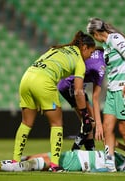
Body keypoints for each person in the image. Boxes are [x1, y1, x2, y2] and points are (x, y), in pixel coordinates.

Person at [12, 31, 96, 172]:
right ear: (85, 47)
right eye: (91, 52)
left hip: (27, 78)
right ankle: (55, 165)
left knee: (26, 123)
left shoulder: (58, 48)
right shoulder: (79, 62)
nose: (90, 56)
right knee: (56, 123)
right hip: (44, 82)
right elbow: (78, 91)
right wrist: (85, 115)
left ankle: (15, 160)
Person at [87, 18, 125, 172]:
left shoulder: (116, 39)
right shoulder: (106, 46)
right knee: (107, 128)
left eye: (93, 36)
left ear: (96, 33)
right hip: (112, 91)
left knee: (124, 130)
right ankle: (109, 164)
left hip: (124, 90)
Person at [0, 143, 125, 172]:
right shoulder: (118, 156)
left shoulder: (123, 166)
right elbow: (122, 145)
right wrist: (123, 145)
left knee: (35, 163)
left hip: (77, 162)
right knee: (30, 157)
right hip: (72, 155)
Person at [57, 47, 106, 151]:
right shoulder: (101, 66)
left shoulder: (95, 52)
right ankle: (74, 152)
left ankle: (91, 152)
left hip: (71, 85)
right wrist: (99, 125)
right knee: (89, 123)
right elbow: (95, 97)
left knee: (89, 122)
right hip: (71, 86)